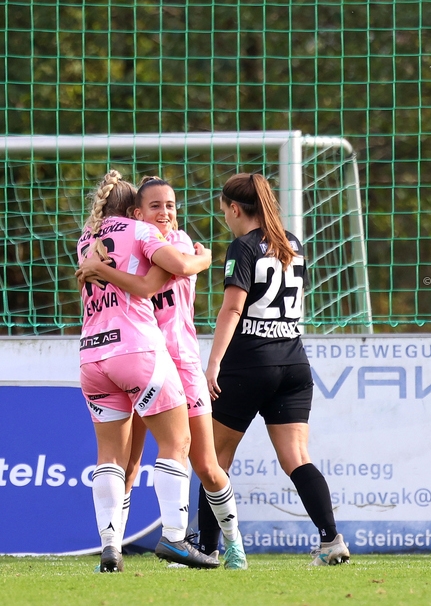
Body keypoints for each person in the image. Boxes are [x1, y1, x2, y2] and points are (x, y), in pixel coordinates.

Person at [77, 176, 248, 570]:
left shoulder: (177, 241)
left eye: (171, 205)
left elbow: (153, 283)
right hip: (142, 358)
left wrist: (99, 269)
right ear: (137, 212)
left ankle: (233, 544)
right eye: (156, 206)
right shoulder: (138, 240)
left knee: (205, 463)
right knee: (132, 464)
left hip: (176, 361)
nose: (165, 213)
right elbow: (145, 285)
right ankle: (134, 544)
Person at [202, 172, 349, 566]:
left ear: (235, 208)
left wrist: (213, 362)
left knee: (214, 459)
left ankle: (206, 548)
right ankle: (331, 539)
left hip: (249, 363)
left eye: (225, 212)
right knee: (298, 458)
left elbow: (233, 308)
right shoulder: (292, 242)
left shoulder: (242, 246)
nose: (226, 219)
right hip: (294, 363)